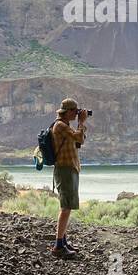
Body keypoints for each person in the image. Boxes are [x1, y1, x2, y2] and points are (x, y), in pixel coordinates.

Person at [50, 97, 87, 259]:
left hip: (69, 168)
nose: (77, 113)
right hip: (64, 169)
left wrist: (80, 125)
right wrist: (82, 123)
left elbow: (80, 141)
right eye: (75, 111)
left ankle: (63, 241)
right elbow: (79, 137)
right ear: (69, 112)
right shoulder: (60, 125)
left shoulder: (65, 126)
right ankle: (58, 246)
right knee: (66, 207)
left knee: (68, 206)